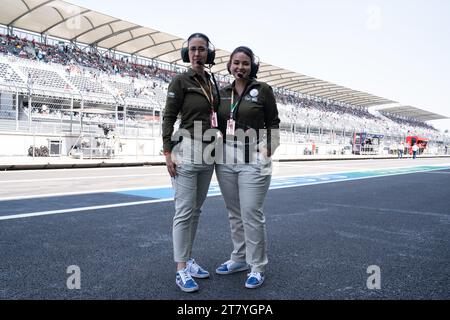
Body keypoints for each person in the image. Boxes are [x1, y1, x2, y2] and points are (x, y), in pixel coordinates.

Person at [214, 46, 280, 289]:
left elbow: (274, 122)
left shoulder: (263, 90)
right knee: (234, 213)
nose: (240, 67)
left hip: (254, 155)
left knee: (251, 212)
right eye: (236, 63)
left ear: (253, 66)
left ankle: (257, 265)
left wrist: (268, 149)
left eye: (245, 63)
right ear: (229, 66)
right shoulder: (221, 92)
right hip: (225, 157)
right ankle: (239, 258)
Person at [162, 33, 219, 293]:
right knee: (184, 211)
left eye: (202, 49)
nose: (198, 54)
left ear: (209, 53)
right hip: (186, 149)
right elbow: (168, 117)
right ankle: (180, 269)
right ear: (187, 53)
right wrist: (167, 153)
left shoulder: (212, 81)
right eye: (193, 49)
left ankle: (189, 258)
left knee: (196, 210)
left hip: (209, 151)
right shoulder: (180, 80)